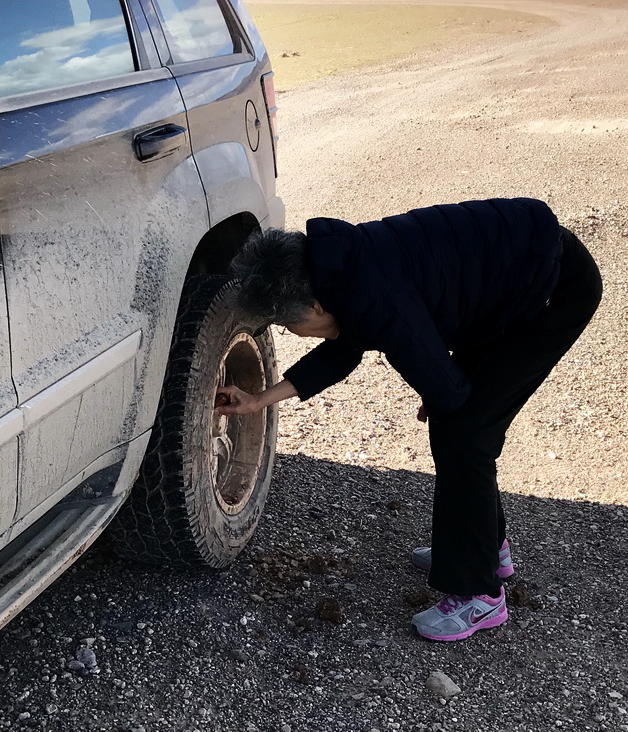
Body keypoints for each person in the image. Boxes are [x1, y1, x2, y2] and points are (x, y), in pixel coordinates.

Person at [216, 198, 602, 642]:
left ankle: (480, 595)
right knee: (458, 426)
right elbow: (347, 349)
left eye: (291, 326)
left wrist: (440, 397)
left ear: (316, 305)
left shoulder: (374, 296)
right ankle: (487, 550)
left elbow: (445, 388)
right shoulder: (338, 267)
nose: (294, 333)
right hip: (503, 284)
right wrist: (259, 399)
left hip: (552, 291)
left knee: (466, 434)